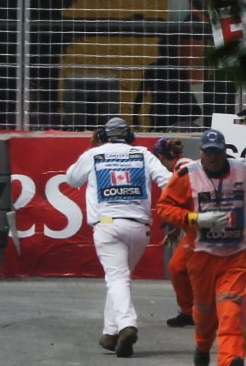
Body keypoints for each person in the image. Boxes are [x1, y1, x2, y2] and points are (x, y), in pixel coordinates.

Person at [65, 116, 171, 358]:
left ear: (103, 136)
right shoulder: (143, 154)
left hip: (107, 226)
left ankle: (127, 325)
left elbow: (71, 178)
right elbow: (168, 181)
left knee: (116, 278)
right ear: (130, 136)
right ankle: (111, 333)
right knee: (121, 278)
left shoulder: (94, 154)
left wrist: (93, 148)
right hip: (140, 227)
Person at [158, 129, 246, 366]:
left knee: (232, 309)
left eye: (217, 152)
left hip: (236, 254)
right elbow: (164, 208)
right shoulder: (188, 174)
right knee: (205, 312)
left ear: (224, 151)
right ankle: (202, 345)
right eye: (208, 152)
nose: (213, 157)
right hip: (201, 254)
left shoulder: (242, 169)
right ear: (201, 153)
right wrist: (195, 219)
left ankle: (230, 359)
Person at [152, 137, 195, 328]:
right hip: (197, 228)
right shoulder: (187, 166)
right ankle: (192, 311)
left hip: (201, 230)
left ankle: (190, 312)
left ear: (160, 157)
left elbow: (173, 205)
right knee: (180, 268)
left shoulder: (181, 171)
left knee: (177, 268)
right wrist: (175, 229)